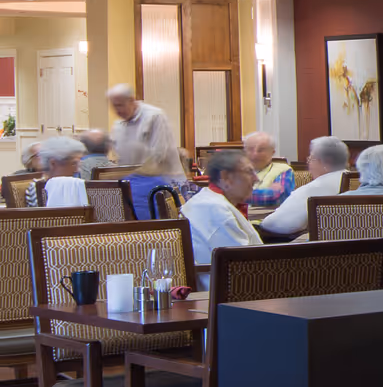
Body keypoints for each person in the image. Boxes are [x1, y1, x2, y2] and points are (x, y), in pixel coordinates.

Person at [107, 84, 188, 219]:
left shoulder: (154, 116)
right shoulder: (118, 125)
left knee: (159, 230)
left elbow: (158, 155)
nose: (117, 110)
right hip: (131, 185)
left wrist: (126, 172)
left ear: (132, 100)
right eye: (114, 106)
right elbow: (119, 156)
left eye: (120, 105)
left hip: (160, 182)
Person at [259, 136, 351, 239]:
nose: (309, 164)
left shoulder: (315, 188)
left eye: (311, 159)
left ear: (327, 163)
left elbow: (278, 225)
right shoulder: (355, 181)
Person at [182, 148, 262, 265]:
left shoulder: (211, 200)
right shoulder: (215, 210)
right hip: (225, 281)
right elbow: (243, 266)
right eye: (249, 172)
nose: (256, 179)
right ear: (225, 177)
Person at [31, 136, 88, 208]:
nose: (77, 170)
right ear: (53, 163)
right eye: (74, 163)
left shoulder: (77, 185)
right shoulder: (36, 189)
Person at [243, 131, 294, 210]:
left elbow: (277, 196)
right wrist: (265, 191)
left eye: (260, 150)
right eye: (250, 149)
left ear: (272, 152)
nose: (255, 154)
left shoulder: (283, 169)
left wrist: (237, 195)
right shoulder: (234, 170)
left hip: (264, 220)